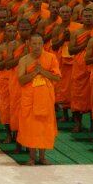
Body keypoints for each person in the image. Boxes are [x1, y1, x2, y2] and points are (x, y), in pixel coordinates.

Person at [17, 35, 62, 165]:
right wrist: (34, 73)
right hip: (29, 98)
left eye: (39, 44)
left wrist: (41, 71)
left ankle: (42, 157)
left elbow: (57, 77)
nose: (37, 47)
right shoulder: (24, 60)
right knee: (31, 127)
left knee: (43, 127)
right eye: (34, 44)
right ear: (29, 44)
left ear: (43, 44)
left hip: (45, 98)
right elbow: (21, 80)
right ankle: (32, 157)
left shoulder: (50, 57)